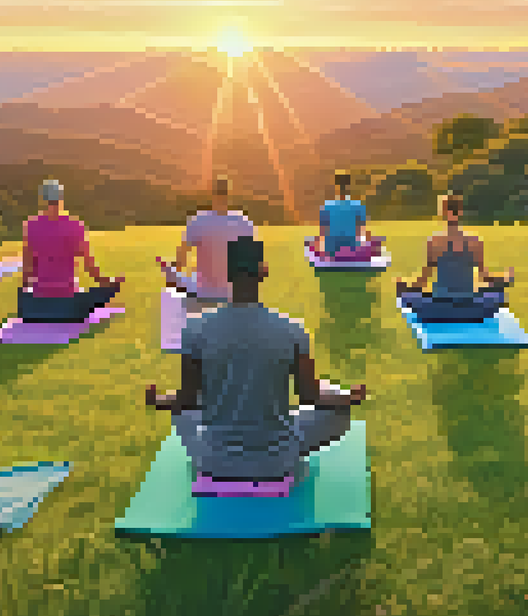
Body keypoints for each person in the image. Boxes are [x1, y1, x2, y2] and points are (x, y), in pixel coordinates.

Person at [145, 236, 368, 482]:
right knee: (337, 406)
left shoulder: (194, 328)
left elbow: (185, 399)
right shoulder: (292, 329)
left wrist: (158, 400)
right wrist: (349, 397)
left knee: (182, 410)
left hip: (213, 460)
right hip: (277, 460)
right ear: (264, 272)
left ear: (227, 274)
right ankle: (277, 427)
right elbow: (310, 396)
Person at [396, 195, 515, 322]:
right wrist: (505, 278)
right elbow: (485, 278)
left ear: (442, 214)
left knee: (409, 296)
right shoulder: (475, 241)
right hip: (470, 308)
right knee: (496, 295)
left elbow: (422, 282)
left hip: (440, 309)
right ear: (460, 212)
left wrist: (405, 286)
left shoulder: (434, 242)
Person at [20, 179, 123, 322]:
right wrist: (105, 283)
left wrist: (24, 291)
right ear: (61, 200)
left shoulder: (31, 225)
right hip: (68, 297)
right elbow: (88, 262)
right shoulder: (74, 225)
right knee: (105, 292)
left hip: (41, 296)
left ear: (42, 200)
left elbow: (28, 263)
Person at [160, 175, 255, 310]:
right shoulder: (245, 223)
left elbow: (180, 260)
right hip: (232, 296)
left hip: (202, 295)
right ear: (229, 194)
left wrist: (173, 273)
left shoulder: (198, 221)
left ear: (212, 194)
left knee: (173, 287)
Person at [313, 171, 384, 260]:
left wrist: (321, 249)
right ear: (349, 187)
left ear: (336, 187)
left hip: (331, 250)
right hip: (352, 248)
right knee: (375, 240)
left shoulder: (326, 207)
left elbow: (323, 233)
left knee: (312, 241)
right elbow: (362, 231)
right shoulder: (358, 206)